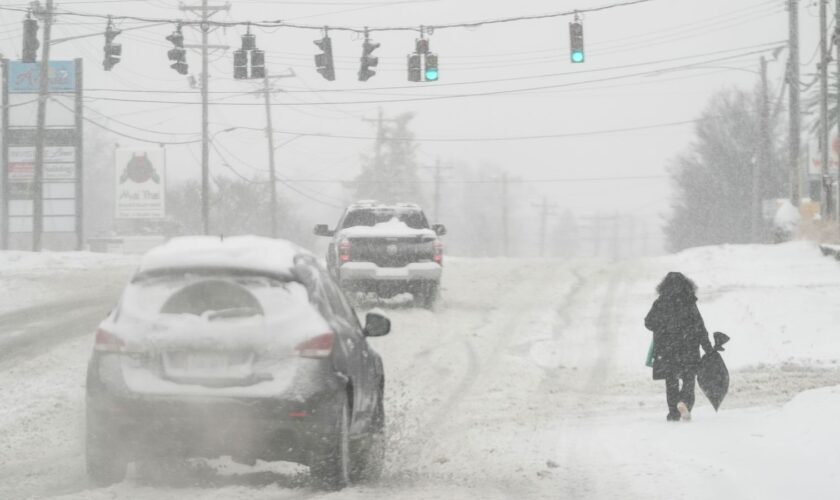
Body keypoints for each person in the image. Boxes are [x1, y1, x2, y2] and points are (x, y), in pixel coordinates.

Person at [644, 272, 713, 422]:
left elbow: (648, 322)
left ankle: (673, 413)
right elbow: (699, 326)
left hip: (667, 349)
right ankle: (685, 402)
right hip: (689, 348)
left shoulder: (661, 302)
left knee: (671, 382)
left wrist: (663, 327)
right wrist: (707, 346)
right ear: (686, 285)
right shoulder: (689, 301)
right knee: (689, 379)